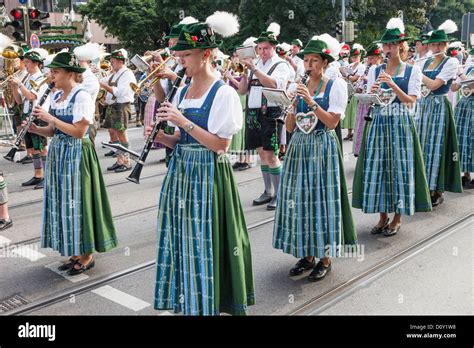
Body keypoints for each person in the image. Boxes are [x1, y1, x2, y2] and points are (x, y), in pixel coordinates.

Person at [149, 13, 254, 315]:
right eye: (178, 55)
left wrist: (182, 121)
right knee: (181, 238)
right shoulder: (182, 90)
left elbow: (221, 146)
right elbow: (182, 139)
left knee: (205, 241)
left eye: (186, 55)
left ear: (206, 54)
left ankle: (208, 302)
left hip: (208, 175)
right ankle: (188, 300)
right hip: (181, 173)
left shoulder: (224, 93)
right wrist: (162, 137)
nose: (180, 61)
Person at [273, 34, 357, 281]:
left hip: (322, 146)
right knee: (300, 200)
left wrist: (310, 102)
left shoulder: (336, 85)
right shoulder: (298, 86)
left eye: (313, 61)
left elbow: (332, 123)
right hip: (300, 147)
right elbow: (289, 128)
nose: (308, 65)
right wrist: (291, 105)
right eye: (306, 60)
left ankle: (326, 258)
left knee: (322, 200)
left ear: (325, 63)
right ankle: (307, 254)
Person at [26, 52, 118, 275]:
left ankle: (86, 255)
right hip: (60, 154)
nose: (51, 75)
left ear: (70, 74)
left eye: (56, 71)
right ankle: (75, 251)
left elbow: (79, 131)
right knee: (64, 202)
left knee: (79, 201)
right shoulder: (57, 97)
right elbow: (54, 131)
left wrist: (51, 118)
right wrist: (36, 129)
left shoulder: (82, 96)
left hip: (77, 154)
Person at [352, 17, 432, 237]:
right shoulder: (374, 71)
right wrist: (373, 91)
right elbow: (370, 100)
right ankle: (382, 216)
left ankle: (397, 217)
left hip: (400, 123)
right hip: (379, 122)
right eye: (385, 45)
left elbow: (410, 101)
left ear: (400, 46)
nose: (388, 49)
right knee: (378, 168)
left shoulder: (412, 70)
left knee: (398, 169)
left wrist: (393, 85)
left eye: (392, 45)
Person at [238, 22, 292, 210]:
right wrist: (244, 74)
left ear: (274, 47)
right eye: (259, 48)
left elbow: (274, 84)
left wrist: (254, 69)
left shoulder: (281, 64)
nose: (262, 52)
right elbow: (243, 91)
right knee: (262, 153)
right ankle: (268, 191)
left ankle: (279, 193)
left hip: (271, 113)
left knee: (271, 154)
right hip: (253, 113)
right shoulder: (257, 64)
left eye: (266, 48)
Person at [414, 19, 463, 207]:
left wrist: (417, 73)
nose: (436, 47)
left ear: (446, 44)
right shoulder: (424, 61)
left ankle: (436, 189)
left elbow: (435, 85)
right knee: (422, 145)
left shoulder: (450, 62)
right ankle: (423, 185)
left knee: (436, 147)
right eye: (433, 44)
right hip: (423, 105)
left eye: (440, 44)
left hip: (438, 107)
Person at [10, 49, 50, 189]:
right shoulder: (27, 78)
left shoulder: (41, 78)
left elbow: (32, 97)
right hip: (27, 114)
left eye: (27, 62)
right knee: (32, 148)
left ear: (36, 63)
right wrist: (14, 87)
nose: (24, 64)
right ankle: (38, 175)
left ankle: (47, 177)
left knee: (42, 147)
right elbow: (19, 101)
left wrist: (19, 84)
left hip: (38, 115)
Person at [100, 49, 137, 173]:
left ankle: (127, 162)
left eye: (113, 62)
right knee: (112, 132)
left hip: (121, 106)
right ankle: (119, 159)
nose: (111, 64)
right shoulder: (115, 73)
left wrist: (103, 85)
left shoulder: (127, 74)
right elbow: (104, 82)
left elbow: (120, 92)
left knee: (121, 133)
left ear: (121, 61)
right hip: (113, 106)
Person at [353, 42, 383, 157]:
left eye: (372, 58)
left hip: (376, 103)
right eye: (369, 58)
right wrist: (360, 85)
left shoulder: (380, 69)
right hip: (364, 102)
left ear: (379, 57)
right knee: (361, 126)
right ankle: (359, 150)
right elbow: (360, 87)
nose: (370, 61)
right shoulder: (369, 69)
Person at [451, 47, 474, 189]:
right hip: (464, 106)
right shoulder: (469, 68)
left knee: (472, 139)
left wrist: (460, 74)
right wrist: (452, 77)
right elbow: (454, 88)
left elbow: (472, 86)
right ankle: (466, 174)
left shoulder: (465, 70)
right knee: (462, 139)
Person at [74, 43, 102, 144]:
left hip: (86, 119)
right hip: (78, 119)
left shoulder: (89, 78)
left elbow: (78, 98)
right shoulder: (80, 76)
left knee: (87, 153)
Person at [341, 44, 365, 141]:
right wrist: (346, 75)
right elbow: (343, 75)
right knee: (348, 112)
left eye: (357, 57)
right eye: (353, 57)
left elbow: (354, 79)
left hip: (357, 90)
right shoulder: (349, 65)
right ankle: (349, 132)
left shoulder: (362, 66)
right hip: (349, 90)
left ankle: (355, 133)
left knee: (355, 112)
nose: (355, 58)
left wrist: (346, 75)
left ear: (360, 57)